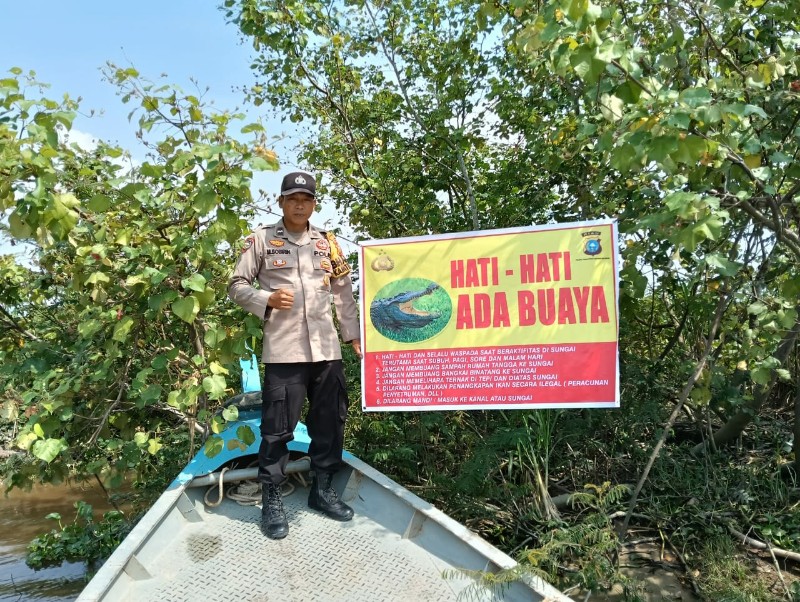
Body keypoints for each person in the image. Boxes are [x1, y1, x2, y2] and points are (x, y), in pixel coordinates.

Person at [228, 171, 362, 539]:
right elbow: (236, 285)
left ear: (314, 203)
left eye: (306, 199)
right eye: (292, 198)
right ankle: (272, 500)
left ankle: (323, 490)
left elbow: (343, 292)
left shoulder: (328, 243)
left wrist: (352, 335)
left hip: (326, 348)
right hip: (284, 350)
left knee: (330, 421)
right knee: (277, 429)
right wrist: (265, 299)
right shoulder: (261, 240)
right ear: (281, 202)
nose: (299, 205)